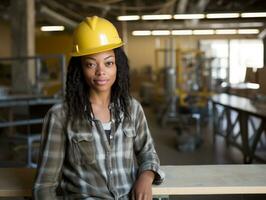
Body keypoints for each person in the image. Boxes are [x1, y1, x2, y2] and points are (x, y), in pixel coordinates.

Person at [33, 16, 164, 200]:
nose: (101, 71)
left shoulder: (132, 109)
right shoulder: (60, 116)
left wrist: (145, 176)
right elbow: (44, 187)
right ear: (80, 69)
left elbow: (148, 152)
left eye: (108, 63)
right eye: (91, 64)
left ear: (118, 66)